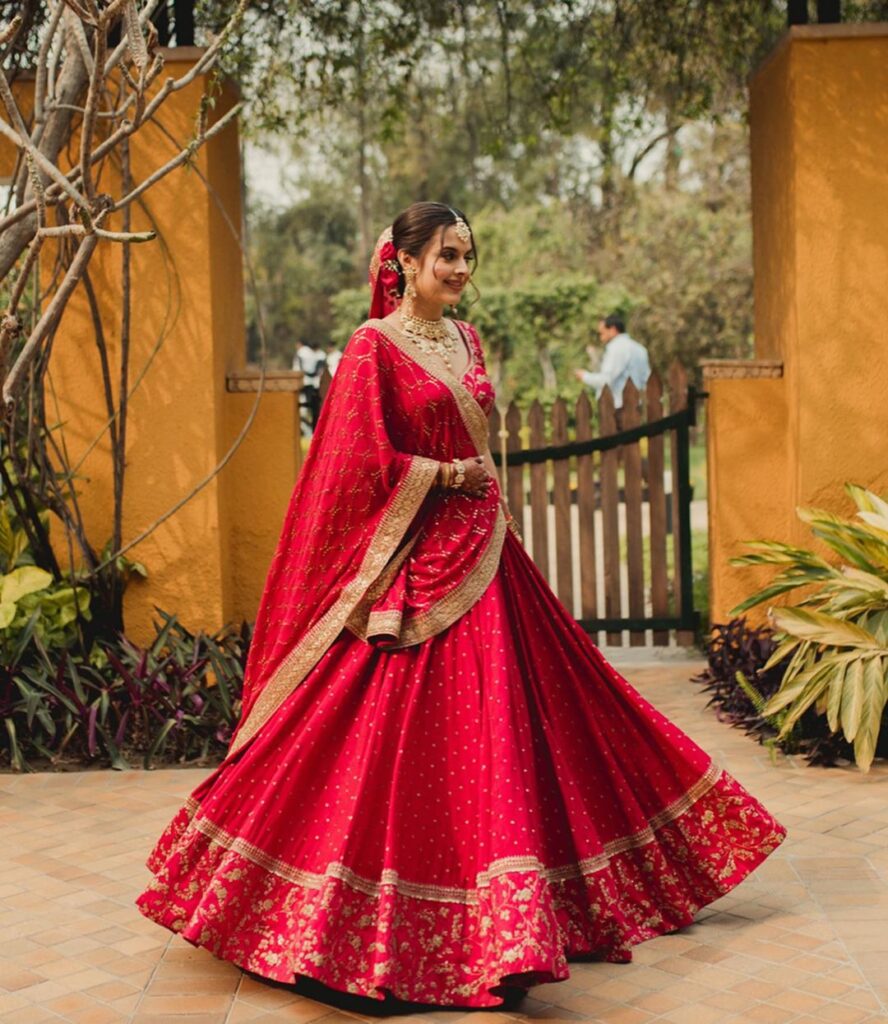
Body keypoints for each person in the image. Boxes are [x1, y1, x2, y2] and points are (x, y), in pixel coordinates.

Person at [137, 203, 785, 1009]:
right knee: (409, 727)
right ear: (403, 261)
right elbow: (352, 460)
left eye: (469, 256)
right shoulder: (373, 347)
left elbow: (478, 433)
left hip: (487, 553)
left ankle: (525, 916)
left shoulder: (470, 338)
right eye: (447, 255)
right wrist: (444, 478)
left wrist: (474, 486)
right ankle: (368, 915)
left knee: (541, 711)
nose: (461, 270)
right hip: (416, 558)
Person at [574, 313, 651, 412]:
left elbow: (606, 380)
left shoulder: (616, 348)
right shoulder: (640, 348)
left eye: (602, 333)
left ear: (613, 330)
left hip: (618, 407)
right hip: (636, 406)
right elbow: (646, 379)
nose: (601, 337)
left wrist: (584, 376)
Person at [293, 339, 326, 431]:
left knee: (301, 406)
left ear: (299, 344)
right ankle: (313, 429)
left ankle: (306, 428)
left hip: (302, 382)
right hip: (313, 383)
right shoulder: (312, 353)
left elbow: (298, 367)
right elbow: (316, 369)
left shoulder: (300, 352)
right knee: (313, 408)